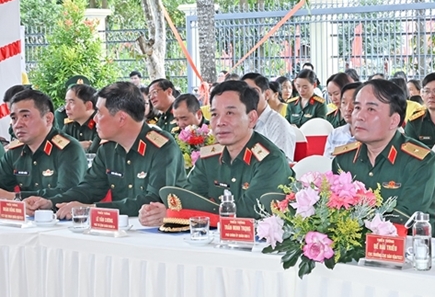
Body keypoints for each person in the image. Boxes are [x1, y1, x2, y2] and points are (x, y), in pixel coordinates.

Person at [139, 81, 294, 224]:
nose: (220, 122)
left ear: (252, 118)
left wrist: (175, 214)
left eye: (230, 113)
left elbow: (249, 212)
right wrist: (162, 212)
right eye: (214, 114)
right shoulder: (210, 157)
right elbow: (189, 198)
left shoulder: (271, 161)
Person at [24, 82, 187, 218]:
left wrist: (92, 209)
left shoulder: (162, 147)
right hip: (120, 230)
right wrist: (50, 203)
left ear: (121, 118)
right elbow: (89, 188)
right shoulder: (108, 148)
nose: (95, 119)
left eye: (100, 114)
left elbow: (153, 200)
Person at [331, 79, 435, 234]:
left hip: (407, 245)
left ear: (393, 120)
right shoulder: (343, 160)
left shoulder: (420, 161)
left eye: (371, 109)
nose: (359, 116)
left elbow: (404, 218)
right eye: (357, 107)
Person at [0, 89, 86, 200]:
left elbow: (68, 193)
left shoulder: (68, 149)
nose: (17, 125)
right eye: (14, 118)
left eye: (25, 116)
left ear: (48, 119)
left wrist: (17, 197)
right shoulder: (14, 151)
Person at [242, 73, 296, 160]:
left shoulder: (279, 125)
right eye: (244, 93)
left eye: (254, 92)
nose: (249, 98)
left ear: (267, 95)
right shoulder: (242, 122)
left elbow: (281, 162)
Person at [323, 82, 361, 157]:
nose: (347, 108)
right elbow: (327, 162)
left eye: (354, 103)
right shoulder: (335, 134)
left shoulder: (373, 137)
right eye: (344, 102)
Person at [62, 84, 101, 153]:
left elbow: (93, 152)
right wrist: (78, 145)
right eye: (66, 102)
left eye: (71, 102)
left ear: (88, 106)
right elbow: (57, 150)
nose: (66, 107)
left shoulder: (100, 124)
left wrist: (69, 147)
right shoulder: (70, 124)